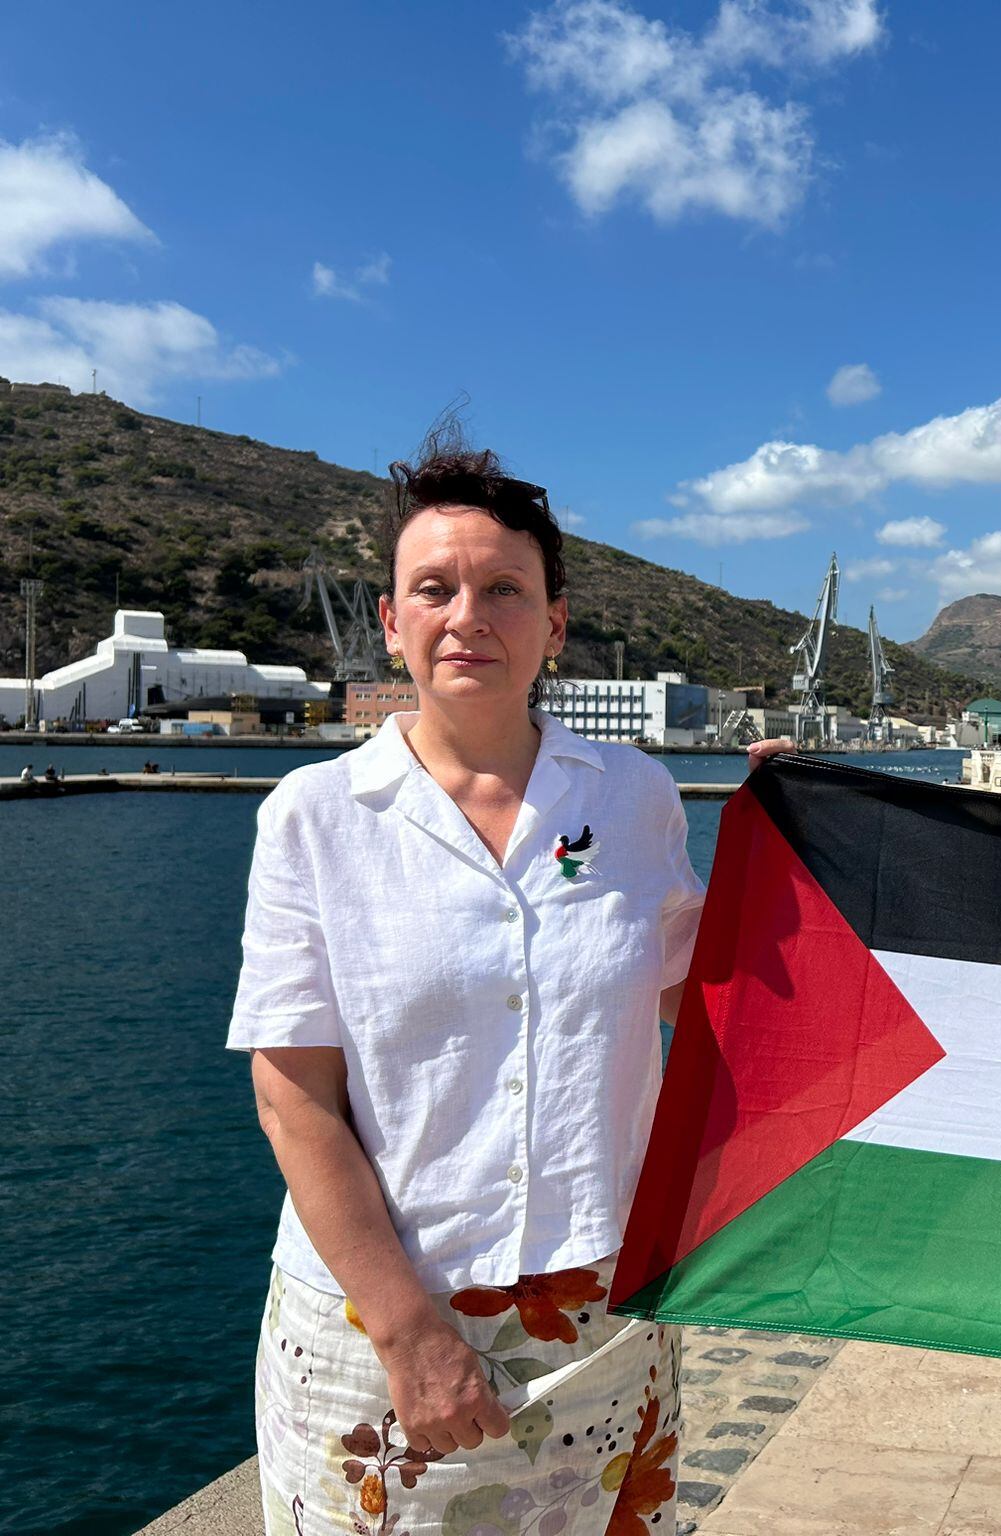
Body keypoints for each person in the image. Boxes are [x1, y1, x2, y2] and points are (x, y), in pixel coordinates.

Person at [228, 430, 786, 1535]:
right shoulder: (315, 817)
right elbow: (292, 1093)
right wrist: (408, 1333)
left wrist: (798, 848)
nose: (466, 614)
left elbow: (699, 996)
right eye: (431, 588)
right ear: (392, 621)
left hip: (604, 1322)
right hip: (377, 1332)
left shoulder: (634, 797)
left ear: (554, 622)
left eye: (503, 588)